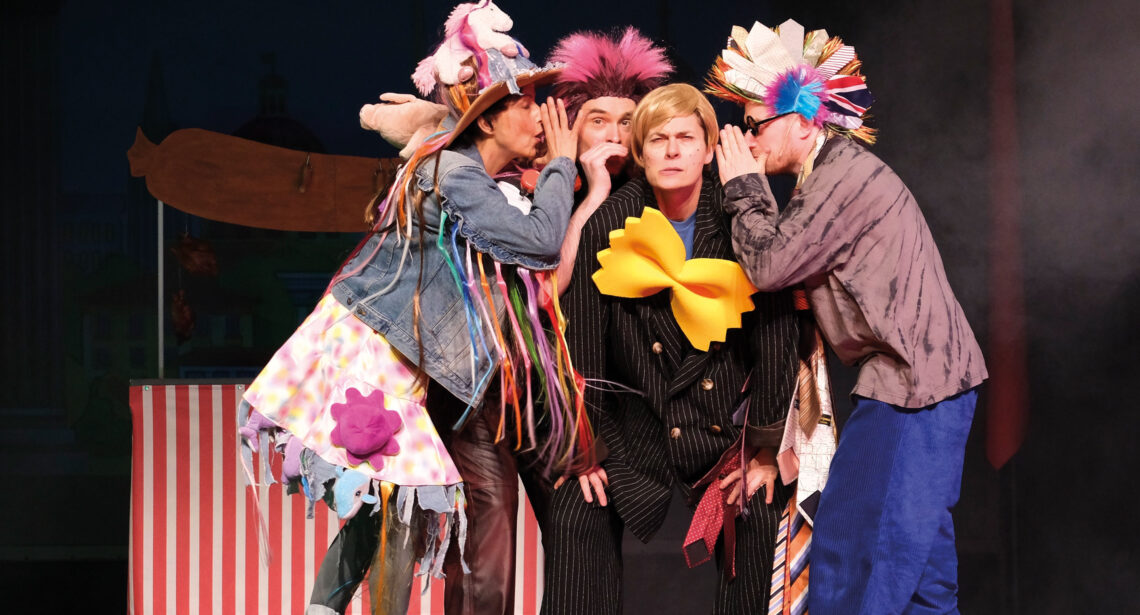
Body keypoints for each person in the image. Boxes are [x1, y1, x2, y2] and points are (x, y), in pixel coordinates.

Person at [237, 3, 581, 614]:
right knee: (389, 498)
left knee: (391, 502)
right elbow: (540, 243)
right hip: (379, 350)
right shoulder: (454, 174)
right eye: (526, 103)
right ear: (487, 119)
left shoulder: (463, 170)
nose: (541, 116)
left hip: (403, 354)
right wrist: (562, 163)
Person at [707, 18, 988, 614]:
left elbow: (769, 265)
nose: (748, 139)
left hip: (915, 390)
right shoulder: (829, 176)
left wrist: (743, 188)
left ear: (805, 121)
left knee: (853, 555)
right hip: (917, 387)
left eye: (756, 125)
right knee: (923, 580)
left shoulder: (842, 177)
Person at [542, 82, 800, 614]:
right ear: (640, 153)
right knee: (574, 505)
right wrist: (587, 448)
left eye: (686, 138)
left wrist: (765, 448)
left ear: (708, 151)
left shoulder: (741, 218)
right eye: (658, 140)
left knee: (761, 509)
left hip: (725, 435)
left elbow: (777, 336)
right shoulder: (610, 222)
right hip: (638, 433)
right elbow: (582, 345)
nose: (672, 151)